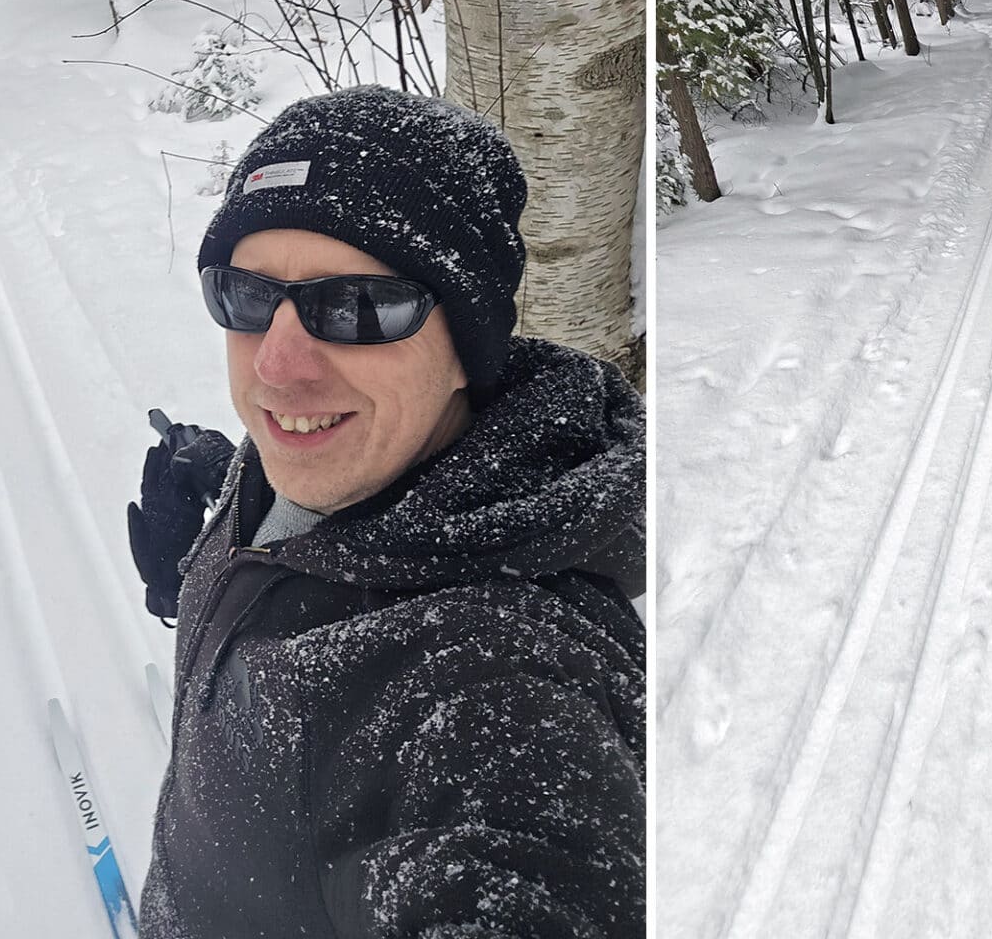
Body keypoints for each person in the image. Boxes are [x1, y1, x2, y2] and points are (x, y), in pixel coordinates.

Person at [127, 87, 644, 938]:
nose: (281, 366)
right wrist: (211, 567)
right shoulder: (338, 466)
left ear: (466, 349)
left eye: (357, 308)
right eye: (249, 298)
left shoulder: (500, 691)